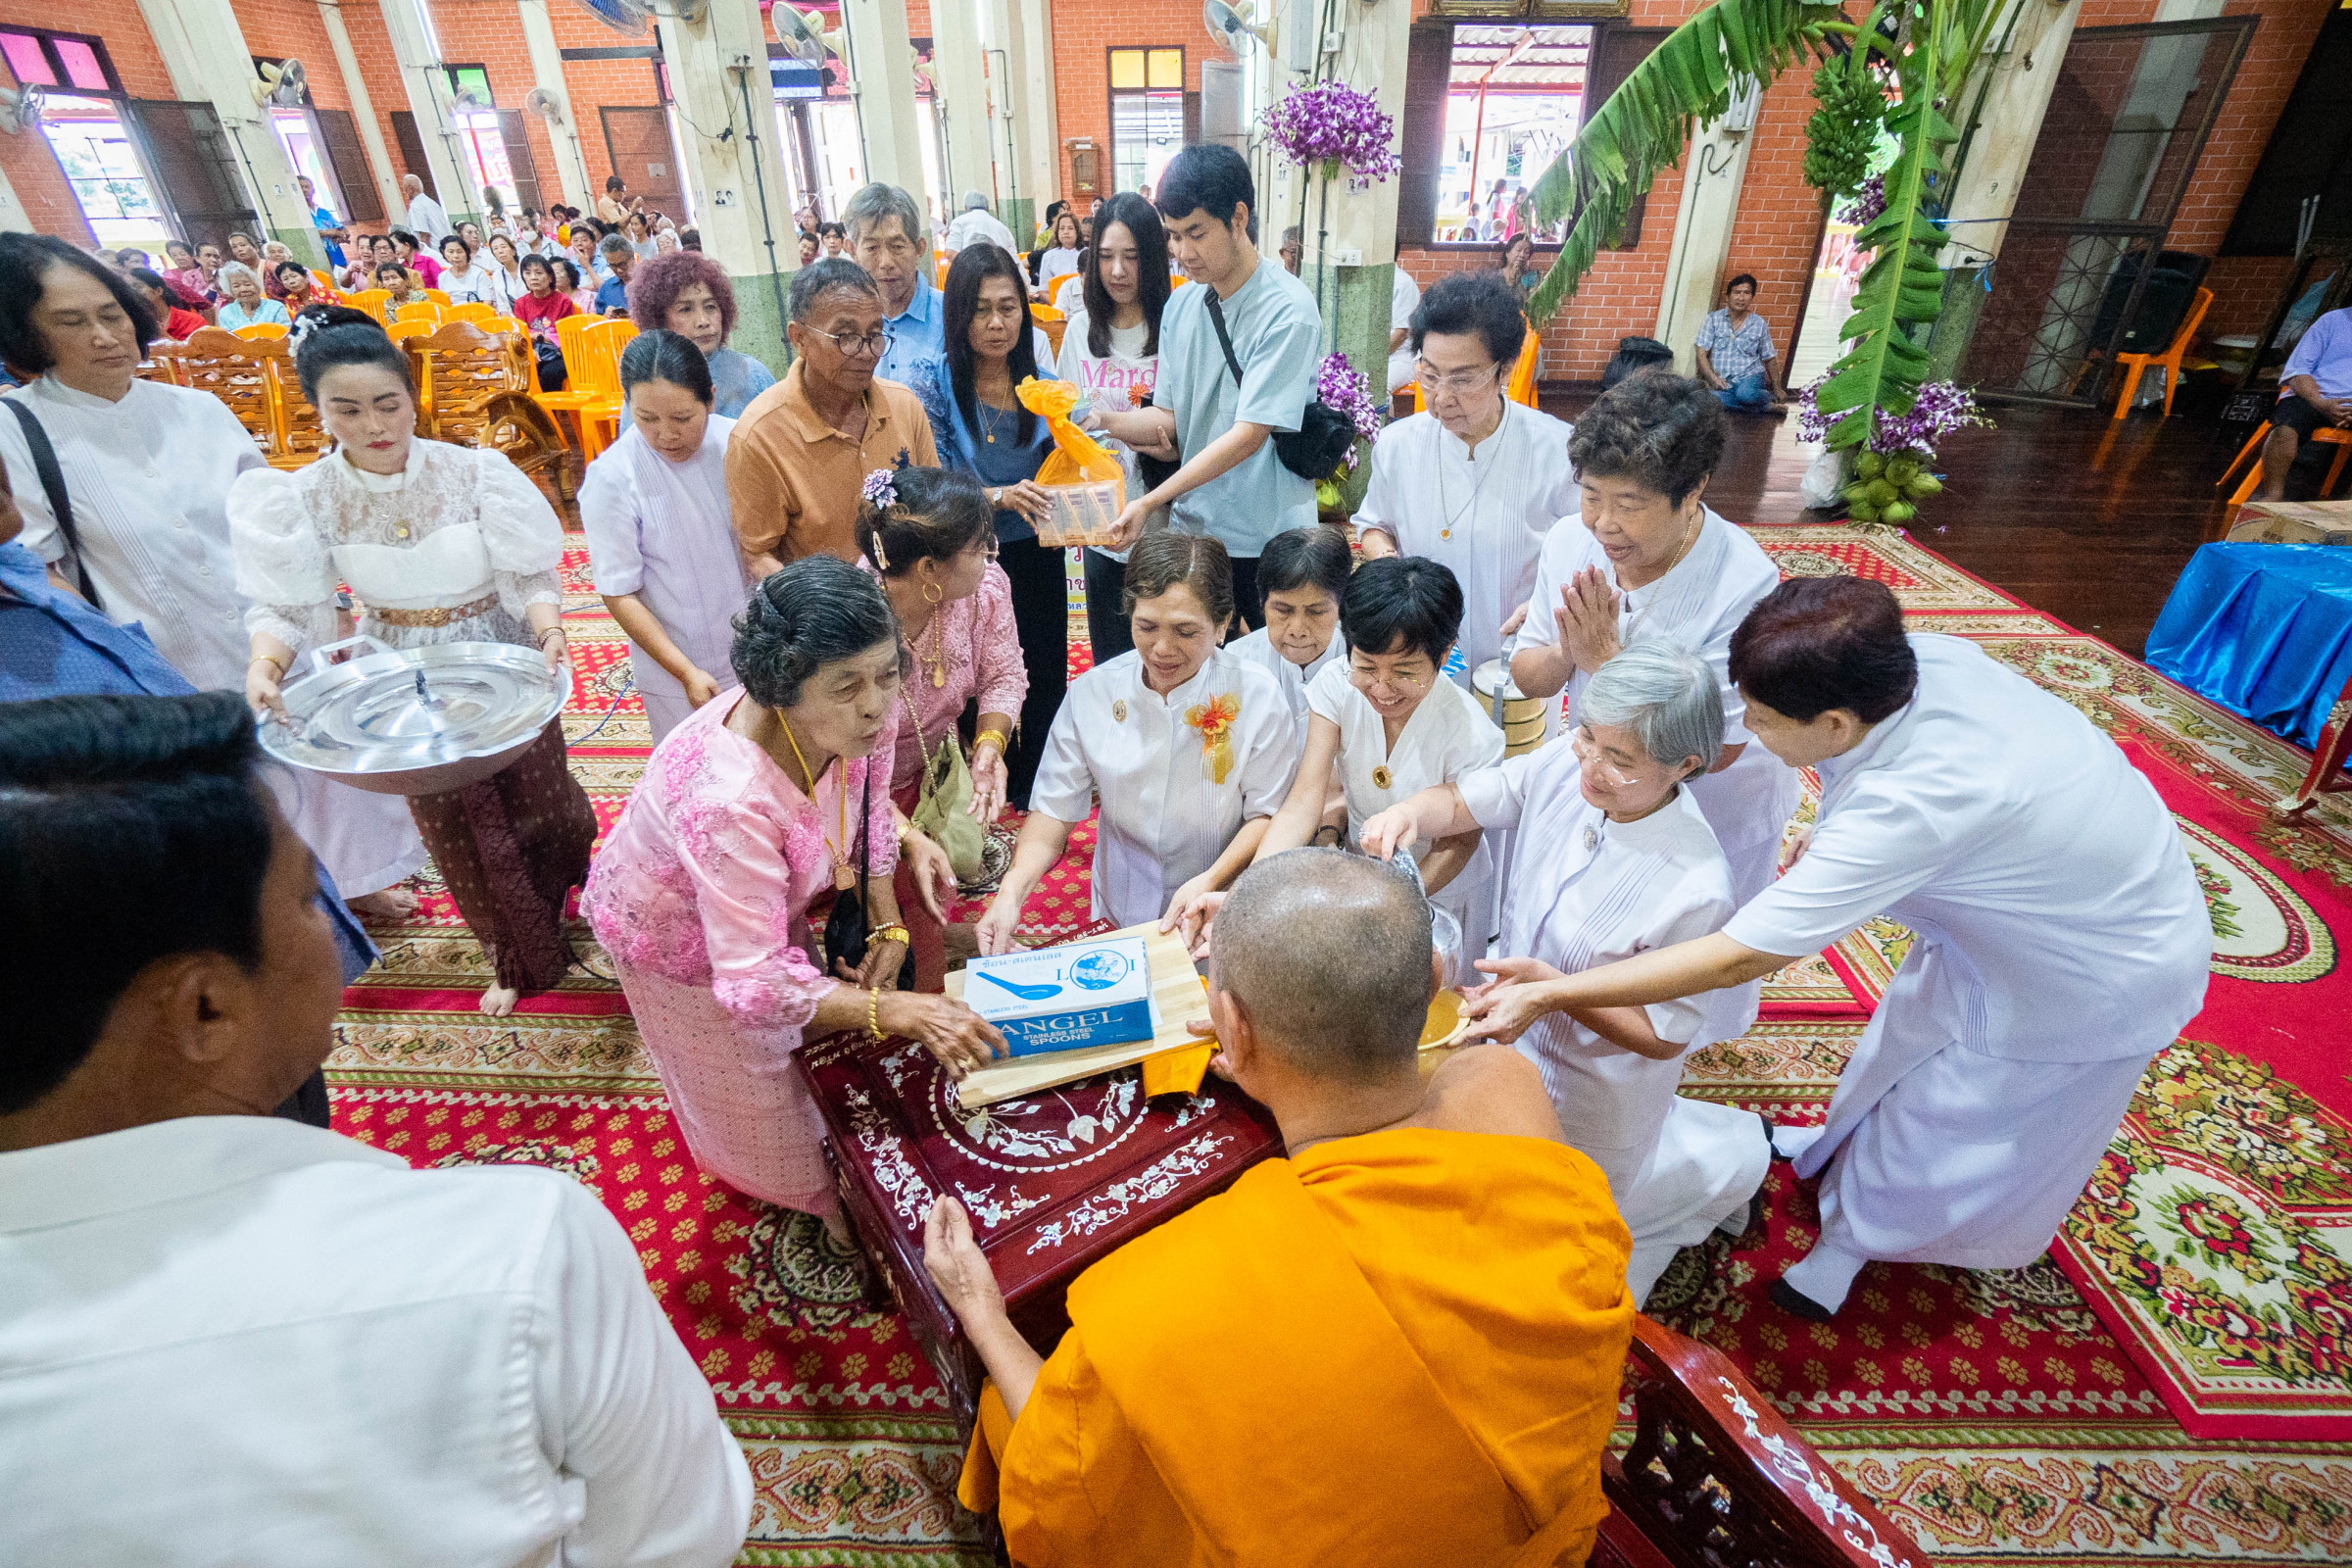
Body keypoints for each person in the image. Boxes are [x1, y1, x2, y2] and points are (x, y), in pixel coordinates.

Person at [0, 694, 753, 1568]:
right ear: (206, 1006)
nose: (337, 928)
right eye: (307, 899)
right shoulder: (509, 1257)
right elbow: (684, 1545)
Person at [1468, 576, 2213, 1320]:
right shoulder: (1905, 668)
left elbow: (1739, 955)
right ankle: (1831, 1146)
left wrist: (1552, 989)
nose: (1746, 732)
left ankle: (1859, 1240)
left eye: (1759, 719)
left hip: (2092, 966)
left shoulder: (1915, 805)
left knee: (1955, 1116)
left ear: (1831, 723)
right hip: (2013, 904)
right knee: (1906, 1035)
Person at [933, 849, 1635, 1567]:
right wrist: (1276, 1059)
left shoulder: (1170, 1295)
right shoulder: (1507, 1085)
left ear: (1228, 1028)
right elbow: (1443, 1084)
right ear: (1433, 982)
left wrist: (980, 1310)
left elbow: (1062, 1457)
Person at [0, 238, 424, 919]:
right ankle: (277, 905)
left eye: (112, 313)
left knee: (314, 754)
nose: (105, 336)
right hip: (159, 643)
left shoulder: (194, 410)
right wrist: (115, 665)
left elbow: (276, 519)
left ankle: (355, 878)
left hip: (267, 617)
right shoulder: (17, 429)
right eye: (71, 322)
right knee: (226, 789)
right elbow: (38, 568)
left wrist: (329, 597)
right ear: (27, 332)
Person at [584, 558, 1006, 1229]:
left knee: (805, 1039)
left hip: (752, 904)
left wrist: (889, 925)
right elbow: (750, 985)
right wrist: (899, 1011)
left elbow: (867, 803)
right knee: (759, 1088)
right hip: (672, 934)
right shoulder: (729, 804)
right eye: (847, 686)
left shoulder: (856, 710)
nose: (875, 703)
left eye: (887, 673)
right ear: (783, 688)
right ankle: (816, 1199)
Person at [1364, 640, 1772, 1302]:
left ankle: (1735, 1157)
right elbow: (1476, 800)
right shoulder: (1569, 762)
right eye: (1587, 736)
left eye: (1620, 759)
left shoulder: (1697, 886)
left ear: (1684, 765)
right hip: (1509, 1035)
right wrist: (1408, 814)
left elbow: (1663, 1035)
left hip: (1598, 1088)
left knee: (1575, 1232)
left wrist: (1552, 993)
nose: (1591, 764)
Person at [232, 316, 599, 1017]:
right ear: (320, 411)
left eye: (387, 403)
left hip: (500, 650)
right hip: (399, 672)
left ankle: (572, 900)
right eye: (347, 408)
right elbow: (284, 605)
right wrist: (265, 665)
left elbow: (528, 575)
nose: (373, 424)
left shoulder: (473, 473)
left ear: (410, 397)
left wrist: (549, 631)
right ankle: (513, 954)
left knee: (544, 803)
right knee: (452, 825)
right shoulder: (305, 496)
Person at [1510, 369, 1799, 906]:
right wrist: (1566, 653)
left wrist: (1605, 662)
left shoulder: (1742, 581)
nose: (1603, 524)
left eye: (1630, 503)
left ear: (1692, 492)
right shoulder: (1571, 540)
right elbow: (1529, 676)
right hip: (1610, 783)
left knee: (1689, 963)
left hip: (1716, 811)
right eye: (1592, 495)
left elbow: (1719, 751)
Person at [976, 533, 1297, 945]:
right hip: (1120, 901)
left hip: (1221, 900)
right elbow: (1053, 812)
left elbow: (1267, 814)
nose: (1162, 648)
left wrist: (1212, 880)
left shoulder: (1256, 694)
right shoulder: (1093, 692)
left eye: (1185, 631)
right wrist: (1011, 892)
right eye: (1146, 626)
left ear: (1222, 625)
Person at [1112, 144, 1321, 624]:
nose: (1183, 252)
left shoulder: (1287, 309)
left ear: (1238, 217)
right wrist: (1099, 419)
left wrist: (1151, 500)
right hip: (1196, 534)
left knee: (1273, 679)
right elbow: (1168, 417)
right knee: (1199, 680)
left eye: (1196, 233)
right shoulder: (1183, 307)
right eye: (1173, 235)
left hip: (1269, 537)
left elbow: (1250, 434)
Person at [1255, 555, 1501, 944]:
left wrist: (1394, 896)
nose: (1383, 689)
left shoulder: (1471, 733)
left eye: (1405, 672)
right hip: (1364, 881)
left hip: (1440, 891)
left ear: (1444, 653)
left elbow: (1458, 841)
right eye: (1367, 667)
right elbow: (1304, 801)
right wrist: (1253, 892)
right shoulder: (1336, 685)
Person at [1357, 270, 1579, 682]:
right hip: (1422, 656)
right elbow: (1374, 526)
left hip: (1521, 656)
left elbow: (1589, 548)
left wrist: (1549, 603)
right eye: (1430, 374)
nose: (1441, 398)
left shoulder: (1558, 452)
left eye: (1462, 379)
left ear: (1505, 370)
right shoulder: (1398, 445)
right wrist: (1394, 570)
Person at [906, 243, 1066, 808]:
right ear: (958, 316)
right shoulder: (936, 381)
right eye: (980, 310)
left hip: (1038, 548)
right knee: (968, 672)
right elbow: (933, 480)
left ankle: (1035, 785)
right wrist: (998, 495)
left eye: (1009, 307)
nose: (997, 323)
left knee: (1045, 669)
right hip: (966, 555)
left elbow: (1070, 461)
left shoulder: (1042, 384)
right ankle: (972, 785)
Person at [855, 465, 1026, 989]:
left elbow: (1004, 672)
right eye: (979, 547)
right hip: (849, 784)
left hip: (932, 765)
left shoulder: (985, 589)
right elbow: (840, 765)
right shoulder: (856, 618)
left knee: (929, 892)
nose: (991, 556)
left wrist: (989, 748)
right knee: (887, 903)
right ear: (929, 568)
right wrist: (901, 832)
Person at [580, 330, 746, 743]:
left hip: (755, 650)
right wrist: (685, 671)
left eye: (682, 419)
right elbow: (619, 592)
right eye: (647, 419)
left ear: (709, 398)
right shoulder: (613, 477)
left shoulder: (739, 443)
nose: (666, 436)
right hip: (677, 668)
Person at [726, 258, 939, 571]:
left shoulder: (903, 405)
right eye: (846, 337)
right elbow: (757, 555)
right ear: (799, 338)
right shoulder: (759, 437)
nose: (867, 353)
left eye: (875, 334)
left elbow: (933, 504)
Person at [1060, 190, 1179, 663]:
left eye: (1131, 257)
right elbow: (1069, 424)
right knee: (1112, 658)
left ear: (1152, 258)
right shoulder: (1079, 331)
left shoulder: (1174, 326)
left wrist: (1114, 424)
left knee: (1168, 654)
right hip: (1101, 525)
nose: (1117, 271)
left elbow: (1176, 432)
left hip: (1166, 523)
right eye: (1105, 257)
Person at [1225, 523, 1349, 745]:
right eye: (1283, 610)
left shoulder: (1362, 663)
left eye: (1316, 611)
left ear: (1341, 607)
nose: (1298, 630)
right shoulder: (1237, 661)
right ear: (1262, 604)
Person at [626, 247, 777, 418]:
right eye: (685, 309)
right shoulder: (646, 385)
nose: (703, 321)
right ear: (659, 319)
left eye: (710, 307)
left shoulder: (753, 374)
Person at [846, 184, 941, 388]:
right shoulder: (844, 326)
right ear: (852, 251)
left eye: (897, 246)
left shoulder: (950, 317)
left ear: (919, 248)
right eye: (872, 248)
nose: (886, 262)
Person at [2256, 304, 2352, 501]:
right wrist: (2322, 403)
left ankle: (2345, 507)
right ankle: (2273, 496)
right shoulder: (2332, 321)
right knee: (2286, 427)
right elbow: (2297, 370)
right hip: (2315, 396)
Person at [1693, 273, 1786, 412]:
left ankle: (1762, 398)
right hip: (1724, 379)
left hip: (1750, 376)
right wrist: (1713, 379)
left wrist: (1777, 388)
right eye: (1737, 292)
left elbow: (1769, 357)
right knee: (1707, 400)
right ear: (1728, 296)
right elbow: (1701, 353)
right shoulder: (1713, 319)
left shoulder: (1758, 323)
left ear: (1752, 297)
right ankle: (1764, 406)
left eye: (1746, 293)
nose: (1741, 298)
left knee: (1745, 395)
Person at [510, 251, 577, 352]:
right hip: (530, 350)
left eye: (539, 273)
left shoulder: (563, 301)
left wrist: (540, 337)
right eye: (528, 273)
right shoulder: (520, 303)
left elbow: (567, 334)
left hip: (558, 351)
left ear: (550, 277)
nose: (533, 278)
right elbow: (520, 333)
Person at [129, 266, 208, 339]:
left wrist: (165, 338)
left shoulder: (192, 321)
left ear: (158, 291)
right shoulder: (132, 325)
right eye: (128, 289)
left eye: (137, 287)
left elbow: (205, 352)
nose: (132, 292)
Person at [214, 263, 291, 330]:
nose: (243, 289)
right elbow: (227, 342)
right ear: (230, 291)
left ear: (257, 285)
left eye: (247, 284)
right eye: (236, 286)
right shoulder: (225, 312)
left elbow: (286, 337)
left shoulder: (276, 308)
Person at [437, 234, 503, 309]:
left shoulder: (478, 273)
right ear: (444, 253)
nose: (456, 256)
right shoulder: (442, 277)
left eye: (459, 251)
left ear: (466, 252)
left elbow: (487, 302)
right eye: (450, 252)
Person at [298, 173, 347, 271]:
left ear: (313, 190)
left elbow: (342, 229)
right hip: (317, 257)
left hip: (336, 255)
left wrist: (341, 235)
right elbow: (302, 235)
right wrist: (327, 232)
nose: (304, 190)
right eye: (301, 187)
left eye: (307, 187)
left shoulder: (322, 211)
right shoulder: (298, 213)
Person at [1386, 264, 1423, 395]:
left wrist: (1374, 360)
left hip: (1400, 356)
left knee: (1377, 388)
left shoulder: (1403, 283)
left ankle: (1385, 416)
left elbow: (1401, 333)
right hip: (1376, 355)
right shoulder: (1372, 279)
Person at [945, 189, 1017, 256]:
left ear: (966, 208)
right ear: (987, 208)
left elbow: (950, 253)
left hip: (968, 268)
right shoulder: (1002, 227)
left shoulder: (958, 222)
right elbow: (1015, 262)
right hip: (999, 269)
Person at [1035, 209, 1083, 290]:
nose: (1066, 232)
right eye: (1062, 228)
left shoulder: (1087, 254)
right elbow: (1043, 291)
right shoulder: (1048, 257)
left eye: (1070, 228)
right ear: (1057, 232)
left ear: (1077, 232)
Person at [401, 173, 450, 246]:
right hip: (444, 246)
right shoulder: (432, 203)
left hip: (433, 249)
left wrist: (423, 254)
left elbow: (423, 234)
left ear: (409, 190)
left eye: (405, 189)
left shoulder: (416, 206)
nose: (404, 193)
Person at [484, 232, 529, 308]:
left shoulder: (528, 268)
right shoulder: (497, 276)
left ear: (513, 250)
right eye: (495, 249)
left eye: (503, 247)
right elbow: (502, 306)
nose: (500, 251)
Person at [596, 234, 636, 315]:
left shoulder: (650, 283)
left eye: (622, 264)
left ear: (632, 258)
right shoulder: (606, 288)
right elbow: (598, 320)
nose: (619, 270)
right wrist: (605, 316)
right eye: (613, 266)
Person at [1500, 232, 1541, 302]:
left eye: (1527, 252)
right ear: (1507, 252)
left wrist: (1518, 282)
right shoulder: (1494, 275)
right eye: (1518, 250)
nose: (1522, 255)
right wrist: (1511, 281)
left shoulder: (1533, 277)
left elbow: (1531, 304)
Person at [570, 221, 606, 285]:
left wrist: (587, 266)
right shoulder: (570, 266)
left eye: (584, 240)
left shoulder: (604, 263)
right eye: (575, 240)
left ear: (593, 243)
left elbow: (604, 287)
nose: (579, 244)